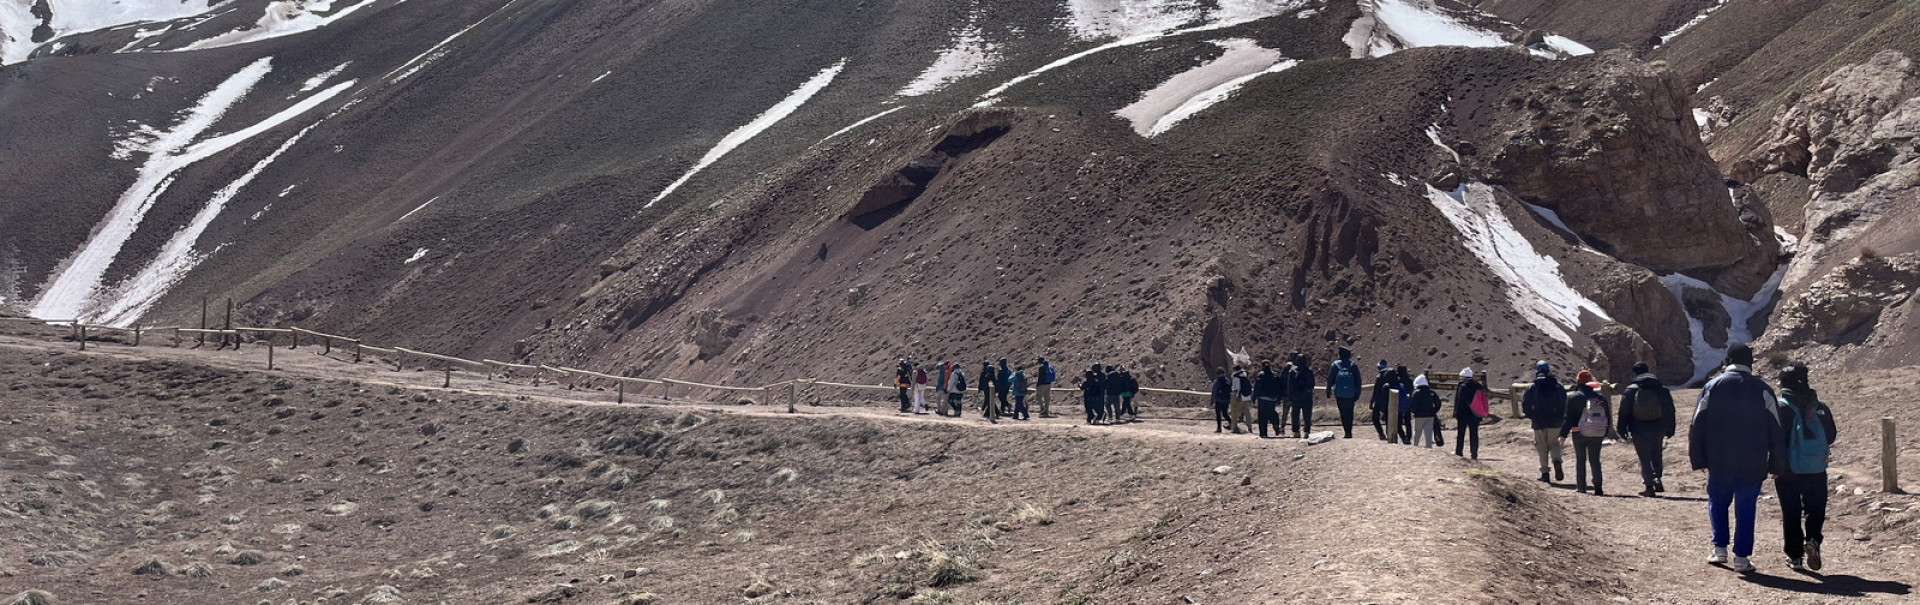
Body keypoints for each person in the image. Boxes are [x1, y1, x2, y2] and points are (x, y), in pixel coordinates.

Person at [1689, 343, 1785, 574]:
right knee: (1746, 508)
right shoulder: (1763, 389)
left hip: (1719, 459)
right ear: (1750, 362)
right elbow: (1776, 430)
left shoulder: (1712, 386)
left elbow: (1696, 425)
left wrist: (1699, 458)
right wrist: (1777, 463)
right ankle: (1741, 558)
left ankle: (1719, 548)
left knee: (1718, 502)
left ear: (1727, 361)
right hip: (1753, 461)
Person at [1774, 361, 1835, 572]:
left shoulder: (1780, 407)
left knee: (1790, 512)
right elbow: (1831, 435)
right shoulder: (1820, 406)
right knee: (1815, 509)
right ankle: (1813, 540)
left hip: (1788, 470)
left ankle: (1795, 557)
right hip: (1816, 468)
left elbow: (1774, 439)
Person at [1617, 362, 1676, 497]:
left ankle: (1649, 486)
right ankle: (1657, 478)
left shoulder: (1631, 390)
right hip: (1658, 427)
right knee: (1657, 453)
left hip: (1638, 428)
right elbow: (1670, 410)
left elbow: (1624, 411)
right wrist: (1670, 428)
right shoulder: (1660, 388)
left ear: (1634, 374)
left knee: (1644, 457)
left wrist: (1622, 429)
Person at [1561, 370, 1611, 495]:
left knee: (1580, 459)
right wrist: (1605, 431)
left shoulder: (1573, 397)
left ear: (1578, 381)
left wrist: (1563, 435)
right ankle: (1598, 484)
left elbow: (1568, 418)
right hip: (1597, 432)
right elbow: (1607, 416)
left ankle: (1581, 486)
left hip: (1578, 433)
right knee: (1595, 459)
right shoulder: (1600, 398)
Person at [1522, 361, 1568, 483]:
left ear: (1537, 371)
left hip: (1539, 423)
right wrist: (1561, 417)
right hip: (1555, 422)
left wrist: (1532, 416)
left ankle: (1545, 474)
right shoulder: (1558, 385)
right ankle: (1557, 460)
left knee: (1541, 447)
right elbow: (1564, 402)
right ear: (1548, 371)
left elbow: (1525, 405)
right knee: (1554, 444)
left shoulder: (1532, 386)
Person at [1327, 347, 1364, 438]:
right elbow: (1358, 380)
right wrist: (1358, 393)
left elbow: (1330, 379)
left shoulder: (1335, 365)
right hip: (1351, 394)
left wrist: (1328, 390)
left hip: (1339, 394)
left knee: (1343, 413)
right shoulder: (1353, 365)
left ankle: (1346, 431)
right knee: (1350, 413)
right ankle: (1349, 431)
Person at [1453, 367, 1485, 459]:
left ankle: (1459, 452)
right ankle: (1474, 454)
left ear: (1463, 376)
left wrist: (1456, 413)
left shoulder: (1462, 386)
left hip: (1463, 414)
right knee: (1474, 434)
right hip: (1475, 414)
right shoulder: (1478, 386)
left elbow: (1459, 401)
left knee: (1461, 433)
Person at [1285, 352, 1317, 438]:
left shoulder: (1292, 371)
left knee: (1295, 415)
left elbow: (1289, 385)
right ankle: (1306, 431)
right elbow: (1312, 384)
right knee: (1307, 415)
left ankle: (1296, 432)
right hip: (1307, 397)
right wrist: (1308, 390)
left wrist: (1290, 396)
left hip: (1296, 397)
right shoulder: (1309, 371)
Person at [1253, 360, 1285, 438]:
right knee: (1271, 413)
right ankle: (1275, 423)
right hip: (1272, 399)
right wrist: (1279, 398)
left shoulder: (1261, 375)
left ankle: (1263, 433)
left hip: (1263, 398)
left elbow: (1257, 387)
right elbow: (1280, 387)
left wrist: (1254, 397)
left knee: (1262, 416)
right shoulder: (1275, 375)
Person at [1409, 375, 1442, 448]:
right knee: (1428, 432)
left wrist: (1414, 412)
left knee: (1417, 431)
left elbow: (1412, 405)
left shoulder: (1416, 393)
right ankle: (1428, 446)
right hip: (1430, 415)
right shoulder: (1431, 392)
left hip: (1419, 416)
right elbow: (1438, 403)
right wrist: (1434, 411)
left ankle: (1415, 445)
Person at [1370, 360, 1395, 440]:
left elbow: (1376, 390)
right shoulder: (1392, 376)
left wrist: (1372, 402)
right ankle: (1390, 434)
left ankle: (1381, 433)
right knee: (1388, 418)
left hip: (1379, 400)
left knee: (1375, 418)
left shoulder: (1379, 376)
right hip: (1390, 399)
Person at [1230, 365, 1254, 434]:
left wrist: (1236, 396)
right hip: (1246, 396)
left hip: (1239, 396)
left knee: (1235, 412)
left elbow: (1236, 388)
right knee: (1247, 412)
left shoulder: (1236, 377)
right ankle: (1250, 427)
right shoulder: (1245, 376)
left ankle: (1233, 427)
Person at [1394, 365, 1415, 444]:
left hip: (1398, 404)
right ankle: (1408, 437)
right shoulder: (1409, 381)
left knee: (1398, 423)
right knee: (1407, 422)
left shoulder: (1398, 382)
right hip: (1408, 404)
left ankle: (1403, 437)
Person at [1210, 367, 1234, 433]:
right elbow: (1231, 390)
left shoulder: (1217, 381)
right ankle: (1233, 424)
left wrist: (1212, 401)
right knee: (1225, 414)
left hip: (1219, 400)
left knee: (1218, 415)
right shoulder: (1227, 380)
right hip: (1226, 400)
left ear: (1217, 374)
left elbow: (1214, 392)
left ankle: (1219, 428)